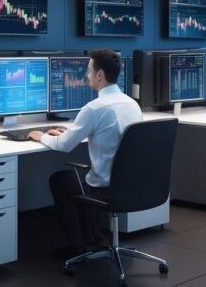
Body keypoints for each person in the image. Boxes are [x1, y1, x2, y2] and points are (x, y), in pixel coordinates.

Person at [28, 49, 142, 259]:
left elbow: (63, 146)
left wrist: (40, 136)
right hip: (131, 184)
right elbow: (111, 135)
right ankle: (94, 235)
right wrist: (70, 133)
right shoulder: (132, 104)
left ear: (100, 74)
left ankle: (76, 245)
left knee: (60, 179)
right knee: (82, 177)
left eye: (88, 70)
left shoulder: (94, 108)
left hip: (105, 187)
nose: (85, 75)